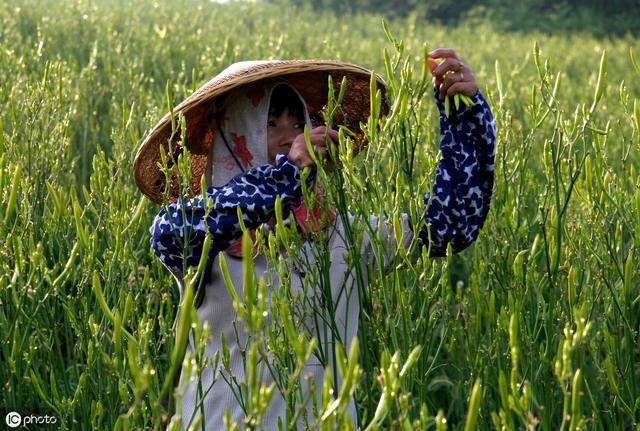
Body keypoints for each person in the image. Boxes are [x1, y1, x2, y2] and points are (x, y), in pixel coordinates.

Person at [134, 51, 495, 429]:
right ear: (236, 134)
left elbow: (450, 226)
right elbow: (167, 234)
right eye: (270, 123)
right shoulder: (204, 238)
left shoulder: (347, 236)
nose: (291, 136)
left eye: (298, 122)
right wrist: (285, 176)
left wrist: (463, 117)